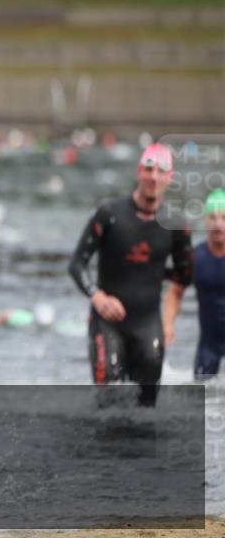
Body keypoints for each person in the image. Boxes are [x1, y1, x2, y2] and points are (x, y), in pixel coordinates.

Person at [68, 143, 193, 406]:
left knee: (146, 412)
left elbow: (184, 276)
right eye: (148, 169)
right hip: (107, 323)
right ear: (139, 171)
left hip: (148, 326)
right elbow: (77, 264)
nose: (153, 177)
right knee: (110, 404)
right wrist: (98, 297)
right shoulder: (110, 214)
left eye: (161, 171)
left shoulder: (176, 225)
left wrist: (169, 319)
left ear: (170, 178)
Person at [194, 189, 225, 379]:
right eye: (212, 217)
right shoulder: (195, 256)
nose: (218, 223)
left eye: (223, 217)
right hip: (208, 345)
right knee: (199, 399)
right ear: (205, 221)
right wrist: (168, 325)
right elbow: (175, 291)